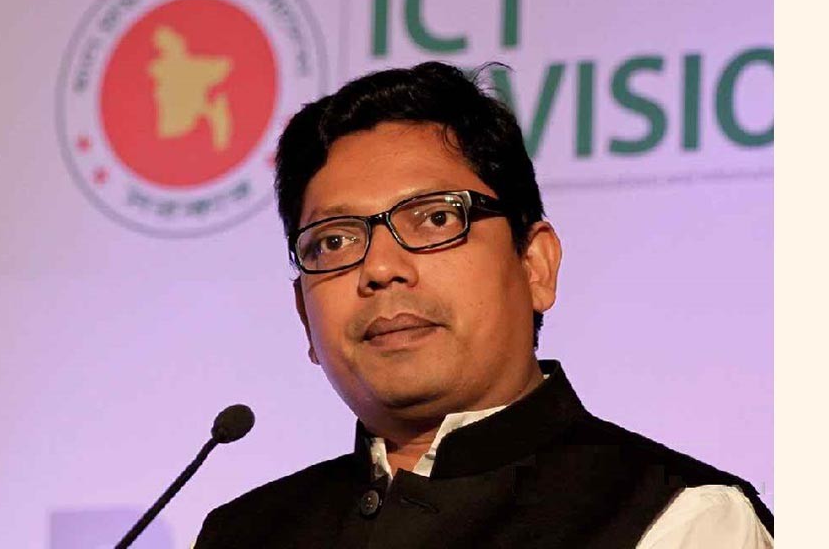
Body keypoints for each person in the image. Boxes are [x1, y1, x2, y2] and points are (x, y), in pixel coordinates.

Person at [194, 62, 774, 548]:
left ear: (535, 265)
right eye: (335, 241)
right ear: (304, 317)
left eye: (435, 218)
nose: (381, 268)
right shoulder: (242, 535)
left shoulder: (679, 518)